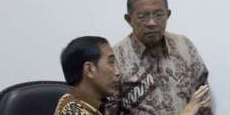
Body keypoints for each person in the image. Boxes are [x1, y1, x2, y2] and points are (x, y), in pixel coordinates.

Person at [105, 0, 213, 115]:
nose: (152, 23)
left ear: (168, 15)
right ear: (129, 19)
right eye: (143, 16)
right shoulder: (115, 58)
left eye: (158, 15)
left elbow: (203, 99)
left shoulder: (184, 46)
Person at [55, 36, 210, 115]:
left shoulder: (85, 106)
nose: (118, 72)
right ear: (89, 70)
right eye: (111, 63)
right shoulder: (73, 111)